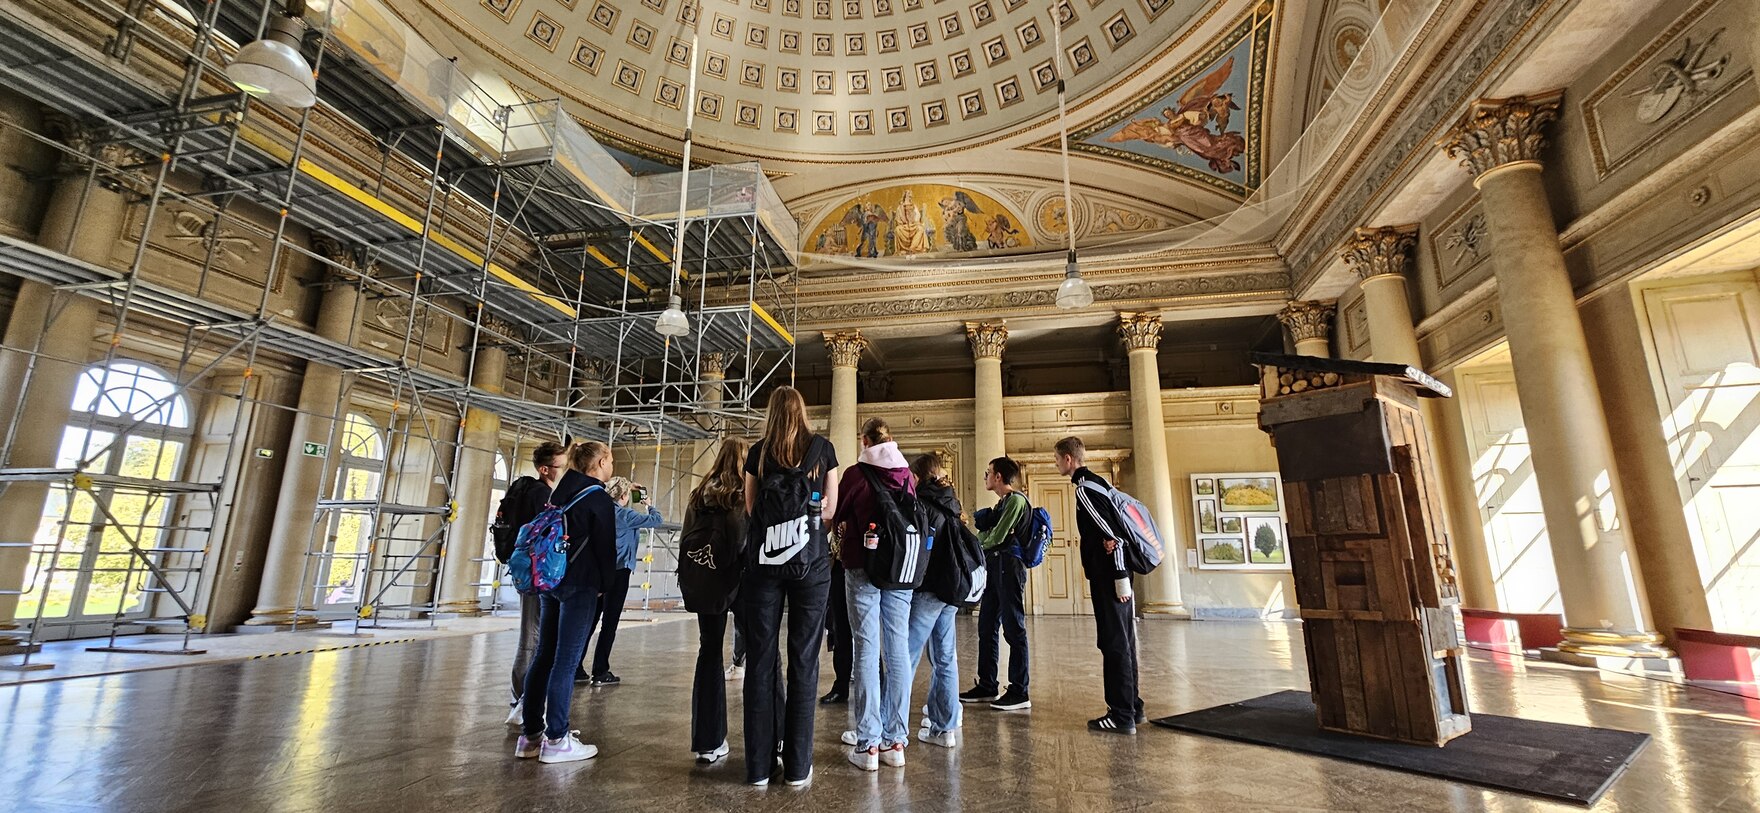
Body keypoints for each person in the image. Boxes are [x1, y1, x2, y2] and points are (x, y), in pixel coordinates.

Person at [740, 385, 839, 786]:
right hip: (811, 566)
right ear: (802, 411)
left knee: (761, 663)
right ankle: (798, 767)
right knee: (804, 661)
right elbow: (830, 509)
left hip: (763, 568)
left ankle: (759, 768)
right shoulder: (823, 449)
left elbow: (750, 509)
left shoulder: (756, 452)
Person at [514, 440, 618, 764]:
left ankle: (530, 736)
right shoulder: (597, 496)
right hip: (581, 585)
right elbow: (605, 549)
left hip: (552, 582)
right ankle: (557, 738)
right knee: (566, 661)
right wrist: (606, 586)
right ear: (600, 462)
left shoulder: (561, 490)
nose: (612, 465)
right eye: (610, 459)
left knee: (543, 655)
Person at [829, 417, 915, 771]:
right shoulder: (907, 473)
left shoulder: (856, 472)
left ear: (864, 440)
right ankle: (896, 742)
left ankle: (868, 744)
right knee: (897, 651)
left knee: (866, 648)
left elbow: (836, 514)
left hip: (861, 563)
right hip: (899, 570)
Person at [1056, 436, 1145, 735]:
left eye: (1058, 459)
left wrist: (1120, 578)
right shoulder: (1101, 483)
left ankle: (1121, 714)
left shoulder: (1084, 489)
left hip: (1111, 577)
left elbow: (1113, 535)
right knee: (1124, 639)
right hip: (1117, 575)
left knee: (1113, 641)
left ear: (1069, 459)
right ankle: (1133, 706)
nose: (1057, 464)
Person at [679, 438, 750, 765]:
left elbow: (685, 539)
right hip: (740, 579)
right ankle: (768, 741)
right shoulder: (743, 496)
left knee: (708, 651)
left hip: (707, 579)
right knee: (761, 655)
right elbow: (741, 540)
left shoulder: (698, 494)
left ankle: (707, 742)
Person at [505, 440, 569, 726]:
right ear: (545, 469)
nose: (565, 471)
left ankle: (523, 697)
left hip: (526, 571)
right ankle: (524, 700)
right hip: (538, 573)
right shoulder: (541, 494)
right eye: (561, 466)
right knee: (533, 637)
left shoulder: (525, 490)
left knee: (532, 635)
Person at [960, 456, 1031, 711]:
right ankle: (987, 685)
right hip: (996, 567)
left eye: (988, 472)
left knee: (1014, 628)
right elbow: (991, 534)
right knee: (986, 626)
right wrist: (983, 538)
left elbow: (997, 536)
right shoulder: (1002, 503)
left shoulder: (1016, 501)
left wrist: (976, 544)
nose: (986, 477)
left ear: (998, 476)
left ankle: (1019, 690)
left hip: (1009, 568)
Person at [577, 476, 663, 685]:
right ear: (624, 496)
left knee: (590, 621)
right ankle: (600, 670)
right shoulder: (625, 515)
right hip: (618, 572)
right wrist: (649, 505)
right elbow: (656, 521)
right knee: (610, 622)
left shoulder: (599, 511)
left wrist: (624, 486)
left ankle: (577, 667)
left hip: (597, 571)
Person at [907, 453, 963, 747]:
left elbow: (919, 553)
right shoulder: (951, 501)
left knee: (903, 657)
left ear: (917, 477)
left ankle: (889, 729)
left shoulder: (923, 505)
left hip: (929, 590)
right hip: (951, 589)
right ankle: (945, 728)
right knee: (945, 658)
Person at [819, 559, 852, 705]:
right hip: (840, 564)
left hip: (867, 564)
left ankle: (879, 691)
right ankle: (840, 687)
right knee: (840, 630)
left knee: (869, 638)